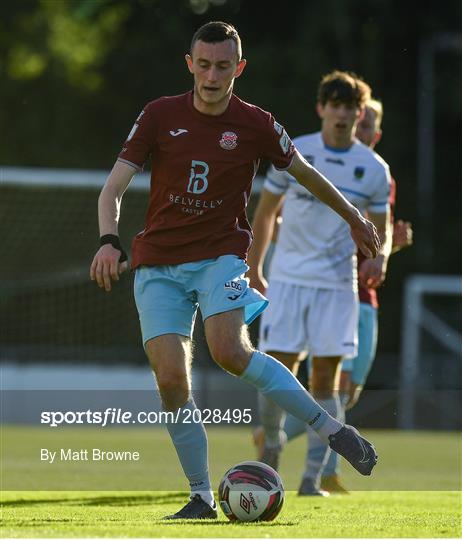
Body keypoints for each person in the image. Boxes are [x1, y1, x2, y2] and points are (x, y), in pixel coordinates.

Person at [90, 22, 379, 520]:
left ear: (238, 68)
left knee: (229, 351)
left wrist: (355, 218)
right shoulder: (159, 115)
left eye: (223, 65)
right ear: (189, 64)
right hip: (158, 263)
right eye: (203, 64)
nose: (211, 75)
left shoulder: (257, 124)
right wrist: (109, 242)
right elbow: (112, 190)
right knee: (170, 382)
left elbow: (306, 173)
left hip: (220, 255)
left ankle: (331, 429)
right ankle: (200, 495)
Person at [247, 72, 392, 496]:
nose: (343, 113)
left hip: (336, 287)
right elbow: (266, 214)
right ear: (321, 108)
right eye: (335, 104)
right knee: (276, 371)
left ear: (359, 113)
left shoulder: (374, 170)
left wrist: (379, 259)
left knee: (327, 381)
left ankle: (312, 478)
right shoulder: (297, 152)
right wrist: (256, 268)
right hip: (288, 282)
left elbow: (377, 231)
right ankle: (271, 447)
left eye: (350, 106)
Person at [280, 98, 413, 495]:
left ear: (375, 131)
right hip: (325, 290)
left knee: (348, 390)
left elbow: (375, 240)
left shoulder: (378, 176)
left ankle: (295, 445)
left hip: (363, 299)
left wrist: (391, 251)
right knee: (329, 382)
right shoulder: (315, 163)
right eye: (360, 118)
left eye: (370, 122)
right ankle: (315, 468)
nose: (361, 126)